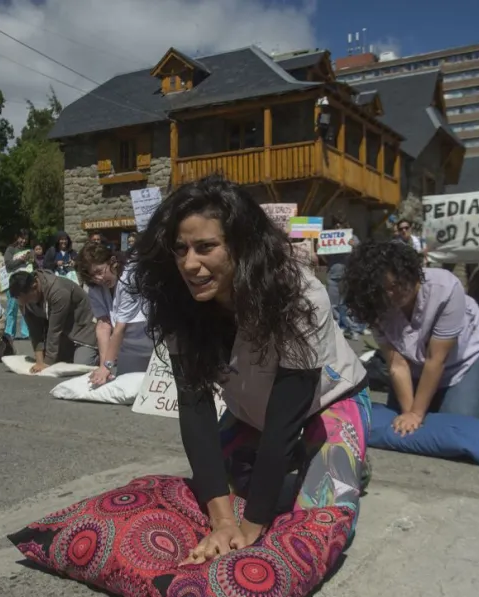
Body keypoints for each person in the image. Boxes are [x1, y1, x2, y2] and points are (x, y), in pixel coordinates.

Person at [130, 175, 371, 562]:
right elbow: (195, 409)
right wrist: (223, 522)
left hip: (324, 402)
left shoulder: (300, 296)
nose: (190, 264)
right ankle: (295, 463)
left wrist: (251, 528)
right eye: (180, 249)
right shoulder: (175, 300)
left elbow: (285, 419)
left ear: (242, 246)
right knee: (207, 497)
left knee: (316, 521)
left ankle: (345, 455)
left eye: (206, 247)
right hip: (251, 414)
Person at [345, 241, 479, 430]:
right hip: (416, 361)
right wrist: (410, 414)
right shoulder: (376, 306)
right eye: (384, 290)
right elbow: (397, 365)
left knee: (456, 426)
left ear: (407, 272)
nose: (392, 294)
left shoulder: (445, 288)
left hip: (464, 356)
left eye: (396, 284)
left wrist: (416, 413)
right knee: (404, 420)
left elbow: (436, 360)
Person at [76, 243, 154, 386]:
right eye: (93, 276)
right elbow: (103, 325)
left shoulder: (129, 278)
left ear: (113, 261)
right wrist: (103, 365)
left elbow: (120, 328)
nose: (98, 279)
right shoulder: (95, 288)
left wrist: (108, 366)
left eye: (100, 271)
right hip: (129, 350)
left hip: (153, 342)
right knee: (126, 387)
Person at [8, 270, 99, 372]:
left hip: (84, 331)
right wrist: (39, 361)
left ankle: (105, 353)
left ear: (34, 286)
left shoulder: (58, 291)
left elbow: (55, 329)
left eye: (26, 299)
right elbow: (34, 330)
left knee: (80, 365)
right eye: (18, 299)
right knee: (60, 364)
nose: (22, 302)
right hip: (64, 335)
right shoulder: (24, 298)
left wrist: (46, 363)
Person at [320, 217, 365, 339]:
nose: (338, 227)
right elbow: (324, 259)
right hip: (332, 276)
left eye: (340, 224)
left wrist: (354, 246)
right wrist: (321, 250)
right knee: (333, 305)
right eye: (336, 225)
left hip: (348, 275)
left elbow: (361, 253)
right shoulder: (329, 238)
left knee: (347, 304)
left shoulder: (353, 238)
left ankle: (354, 329)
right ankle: (337, 329)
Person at [3, 229, 33, 340]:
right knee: (12, 308)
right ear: (17, 237)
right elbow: (8, 265)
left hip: (26, 281)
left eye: (26, 238)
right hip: (13, 282)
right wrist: (20, 260)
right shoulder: (10, 249)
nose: (23, 240)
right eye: (22, 238)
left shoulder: (29, 250)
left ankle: (26, 333)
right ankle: (9, 332)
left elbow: (32, 263)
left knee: (26, 307)